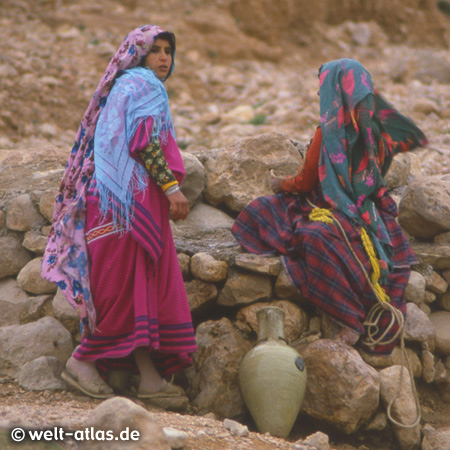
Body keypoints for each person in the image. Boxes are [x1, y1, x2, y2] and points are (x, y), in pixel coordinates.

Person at [41, 25, 197, 400]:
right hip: (124, 207)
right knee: (125, 289)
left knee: (135, 287)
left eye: (168, 51)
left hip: (116, 204)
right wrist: (172, 189)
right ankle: (82, 361)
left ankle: (148, 378)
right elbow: (144, 142)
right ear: (139, 56)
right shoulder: (143, 85)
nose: (163, 57)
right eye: (155, 50)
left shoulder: (123, 87)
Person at [232, 58, 427, 355]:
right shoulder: (378, 128)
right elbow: (412, 133)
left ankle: (349, 316)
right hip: (369, 209)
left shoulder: (329, 133)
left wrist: (279, 184)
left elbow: (305, 181)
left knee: (275, 216)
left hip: (334, 208)